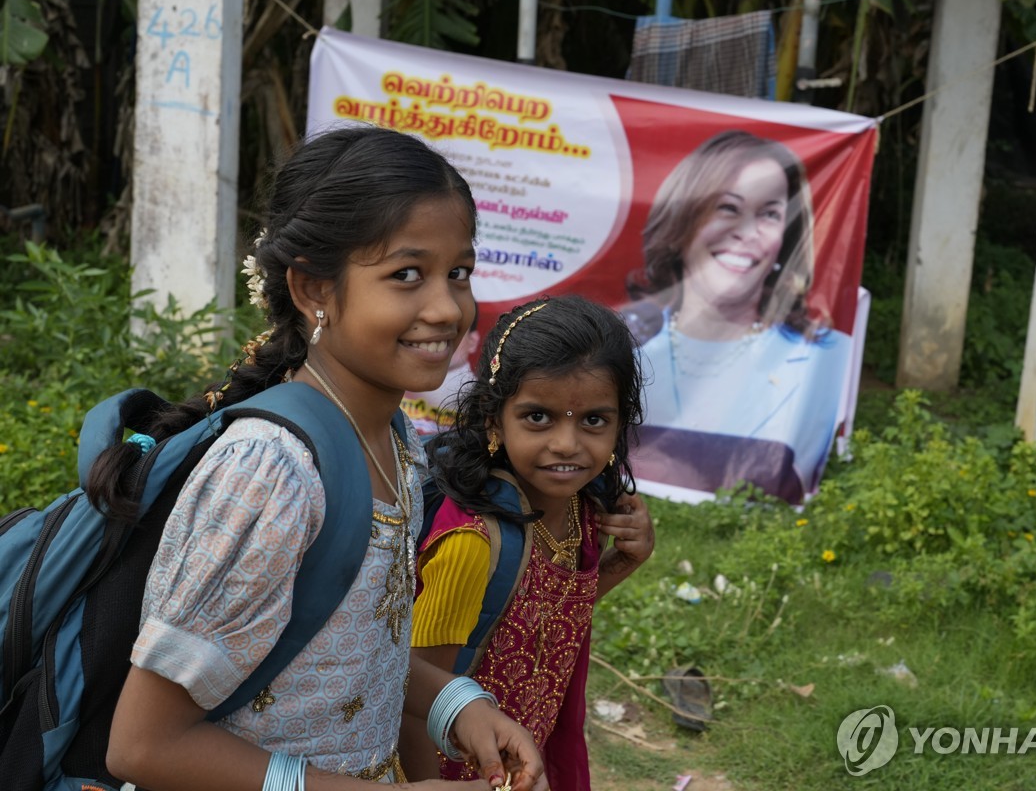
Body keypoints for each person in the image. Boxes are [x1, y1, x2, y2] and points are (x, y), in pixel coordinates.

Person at [98, 126, 546, 790]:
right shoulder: (271, 473)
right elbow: (144, 747)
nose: (447, 307)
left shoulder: (393, 439)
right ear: (312, 289)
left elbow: (352, 650)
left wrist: (461, 706)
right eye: (406, 275)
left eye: (459, 273)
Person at [398, 296, 655, 789]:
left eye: (594, 420)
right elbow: (415, 697)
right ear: (494, 420)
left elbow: (538, 619)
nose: (567, 443)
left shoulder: (583, 508)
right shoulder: (471, 544)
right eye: (539, 417)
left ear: (621, 421)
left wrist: (622, 563)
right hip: (453, 772)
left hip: (522, 757)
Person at [624, 129, 853, 500]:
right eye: (728, 208)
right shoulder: (618, 350)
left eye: (769, 214)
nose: (747, 232)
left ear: (785, 239)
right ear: (682, 222)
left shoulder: (827, 358)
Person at [403, 315, 481, 437]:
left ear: (473, 342)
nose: (434, 338)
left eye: (454, 329)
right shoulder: (391, 382)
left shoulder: (483, 401)